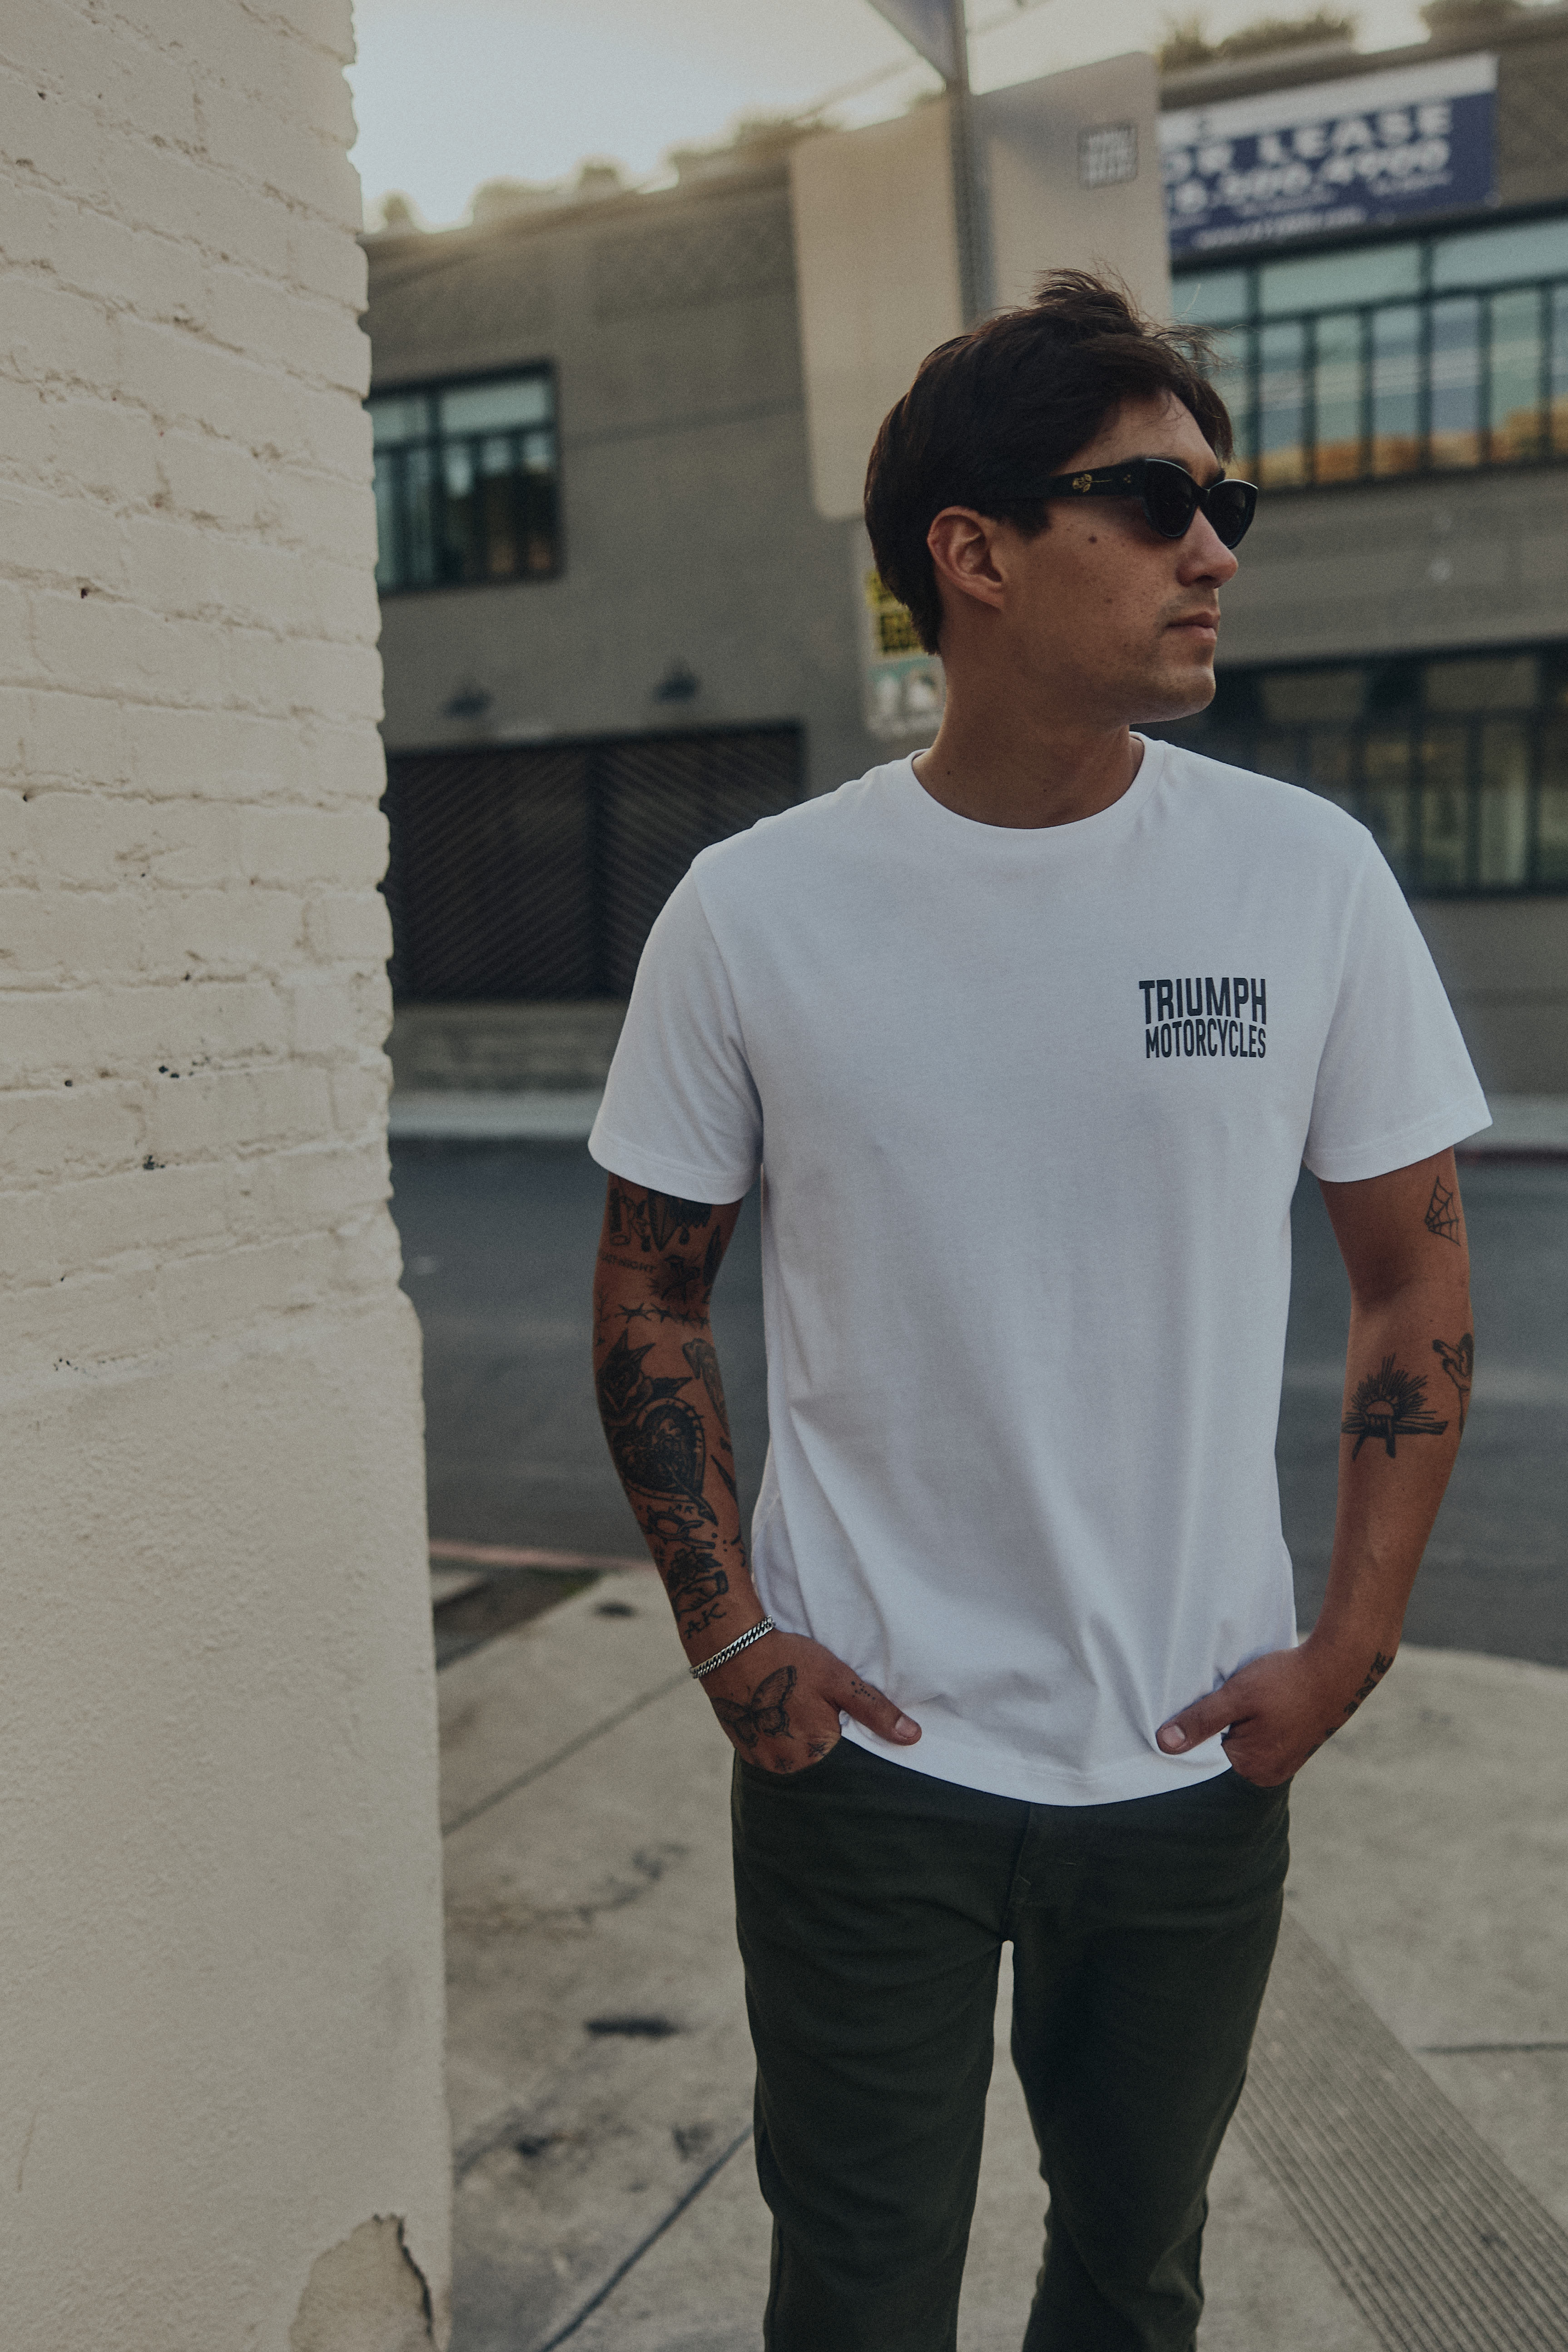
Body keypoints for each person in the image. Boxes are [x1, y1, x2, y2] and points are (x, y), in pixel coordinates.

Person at [588, 272, 1484, 2352]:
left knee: (1128, 2279)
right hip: (863, 1765)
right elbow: (649, 1288)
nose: (1212, 547)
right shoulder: (753, 907)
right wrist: (730, 1638)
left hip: (1184, 1756)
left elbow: (1412, 1274)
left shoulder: (1302, 879)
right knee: (856, 2291)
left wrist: (1346, 1645)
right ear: (971, 555)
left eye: (1223, 502)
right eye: (1151, 500)